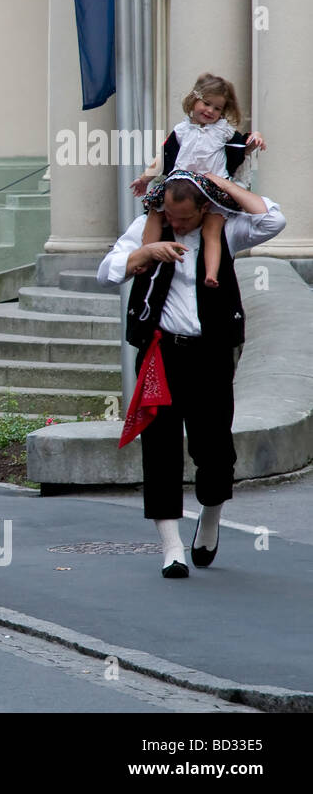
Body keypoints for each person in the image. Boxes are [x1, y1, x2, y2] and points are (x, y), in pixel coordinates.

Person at [97, 173, 285, 579]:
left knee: (215, 450)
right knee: (160, 448)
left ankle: (211, 518)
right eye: (170, 215)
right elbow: (107, 271)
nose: (176, 225)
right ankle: (171, 548)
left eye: (184, 218)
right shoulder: (152, 225)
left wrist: (221, 184)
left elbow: (273, 220)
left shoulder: (226, 229)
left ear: (204, 209)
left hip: (212, 354)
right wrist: (146, 253)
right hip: (160, 354)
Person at [131, 73, 266, 289]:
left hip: (211, 187)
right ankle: (146, 255)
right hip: (180, 185)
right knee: (156, 213)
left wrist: (255, 138)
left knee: (212, 230)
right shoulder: (182, 130)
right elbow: (163, 157)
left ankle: (212, 273)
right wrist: (144, 179)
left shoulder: (223, 131)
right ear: (194, 100)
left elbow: (241, 148)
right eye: (207, 103)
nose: (210, 111)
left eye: (217, 108)